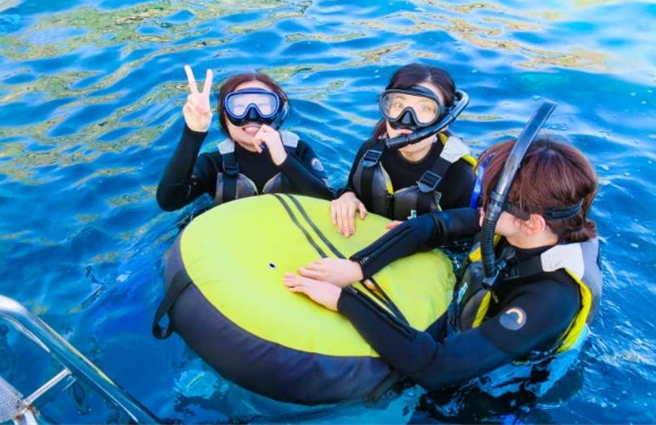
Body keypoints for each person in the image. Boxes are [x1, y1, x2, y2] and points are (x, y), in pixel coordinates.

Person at [284, 135, 602, 391]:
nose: (480, 204)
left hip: (506, 382)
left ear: (532, 224)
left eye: (491, 200)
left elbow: (438, 370)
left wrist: (345, 300)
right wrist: (358, 267)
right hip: (477, 331)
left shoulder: (552, 298)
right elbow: (434, 226)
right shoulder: (524, 226)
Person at [157, 66, 332, 211]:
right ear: (225, 116)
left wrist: (284, 160)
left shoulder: (299, 151)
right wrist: (193, 133)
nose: (252, 115)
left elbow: (328, 201)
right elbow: (169, 202)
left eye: (264, 106)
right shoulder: (214, 164)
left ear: (279, 113)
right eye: (238, 107)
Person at [331, 63, 476, 237]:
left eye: (425, 109)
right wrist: (346, 196)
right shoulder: (370, 152)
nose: (406, 119)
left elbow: (462, 245)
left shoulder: (460, 175)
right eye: (399, 105)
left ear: (444, 121)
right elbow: (350, 191)